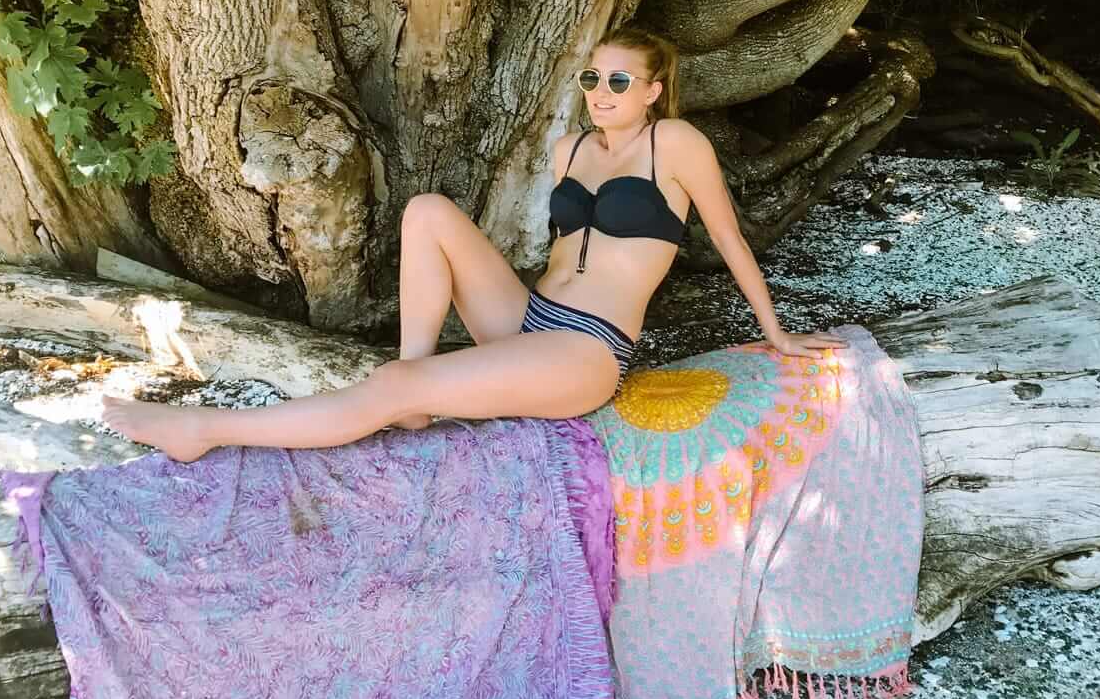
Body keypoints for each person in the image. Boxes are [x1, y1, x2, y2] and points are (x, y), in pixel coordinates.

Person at [102, 27, 846, 462]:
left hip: (585, 353)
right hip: (530, 320)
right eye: (593, 77)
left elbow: (728, 236)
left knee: (389, 391)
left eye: (620, 80)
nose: (602, 90)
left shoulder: (675, 143)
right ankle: (416, 380)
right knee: (427, 211)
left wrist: (774, 332)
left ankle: (207, 432)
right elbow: (563, 256)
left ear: (653, 90)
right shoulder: (569, 149)